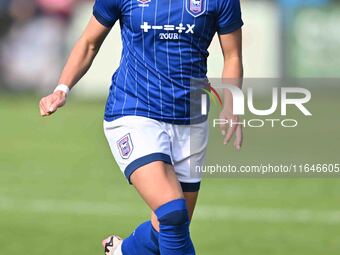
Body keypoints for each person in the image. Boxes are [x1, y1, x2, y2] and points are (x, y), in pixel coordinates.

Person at [39, 0, 244, 254]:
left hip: (190, 118)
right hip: (133, 111)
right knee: (172, 213)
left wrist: (232, 104)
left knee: (167, 229)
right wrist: (62, 88)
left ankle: (122, 250)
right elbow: (89, 42)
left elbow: (232, 55)